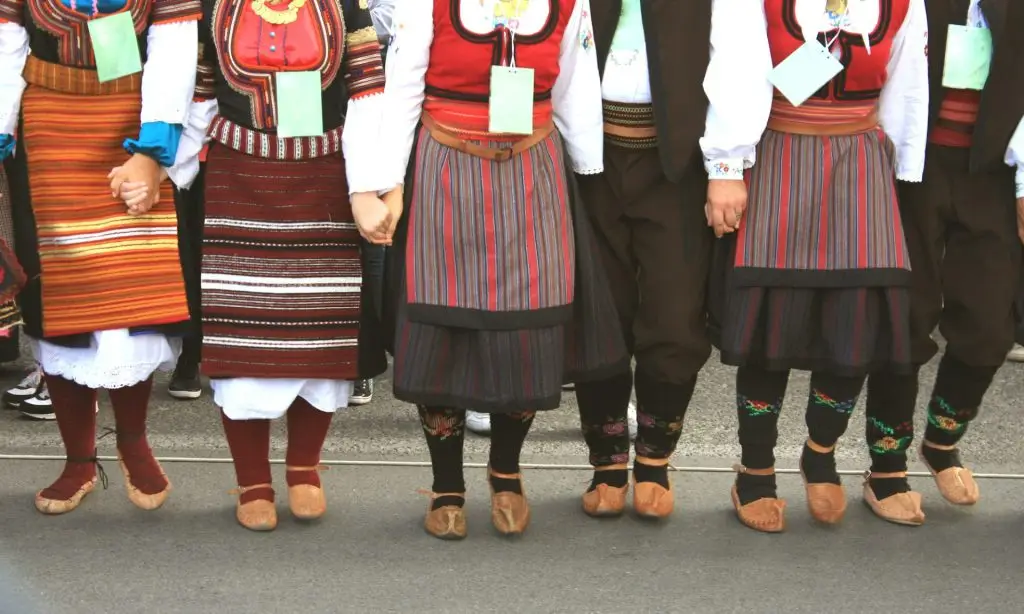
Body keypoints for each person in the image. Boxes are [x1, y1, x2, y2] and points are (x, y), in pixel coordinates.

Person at [380, 0, 627, 540]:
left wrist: (587, 168)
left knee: (527, 332)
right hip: (445, 168)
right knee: (442, 329)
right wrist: (389, 182)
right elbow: (402, 86)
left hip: (532, 172)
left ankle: (506, 469)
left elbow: (574, 84)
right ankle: (447, 484)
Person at [705, 0, 928, 532]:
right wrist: (726, 166)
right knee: (771, 324)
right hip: (781, 151)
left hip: (860, 159)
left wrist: (903, 171)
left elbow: (906, 85)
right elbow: (735, 71)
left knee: (854, 322)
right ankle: (755, 469)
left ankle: (820, 452)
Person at [171, 0, 392, 531]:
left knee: (320, 335)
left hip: (324, 179)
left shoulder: (345, 9)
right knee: (242, 335)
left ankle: (304, 469)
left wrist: (365, 188)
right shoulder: (214, 9)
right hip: (237, 177)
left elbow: (367, 97)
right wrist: (169, 173)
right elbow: (200, 95)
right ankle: (252, 479)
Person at [0, 0, 199, 514]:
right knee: (63, 294)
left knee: (132, 292)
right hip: (47, 125)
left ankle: (133, 442)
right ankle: (78, 459)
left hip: (134, 121)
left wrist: (153, 152)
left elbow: (174, 47)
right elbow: (5, 43)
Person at [865, 0, 1024, 521]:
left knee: (989, 325)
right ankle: (886, 465)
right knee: (904, 317)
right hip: (911, 168)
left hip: (995, 173)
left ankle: (940, 439)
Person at [569, 0, 716, 520]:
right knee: (598, 313)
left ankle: (654, 460)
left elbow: (735, 60)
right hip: (590, 162)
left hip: (675, 169)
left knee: (674, 316)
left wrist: (727, 165)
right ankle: (607, 461)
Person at [167, 47, 214, 401]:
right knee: (183, 256)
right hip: (156, 135)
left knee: (210, 255)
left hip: (226, 135)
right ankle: (189, 351)